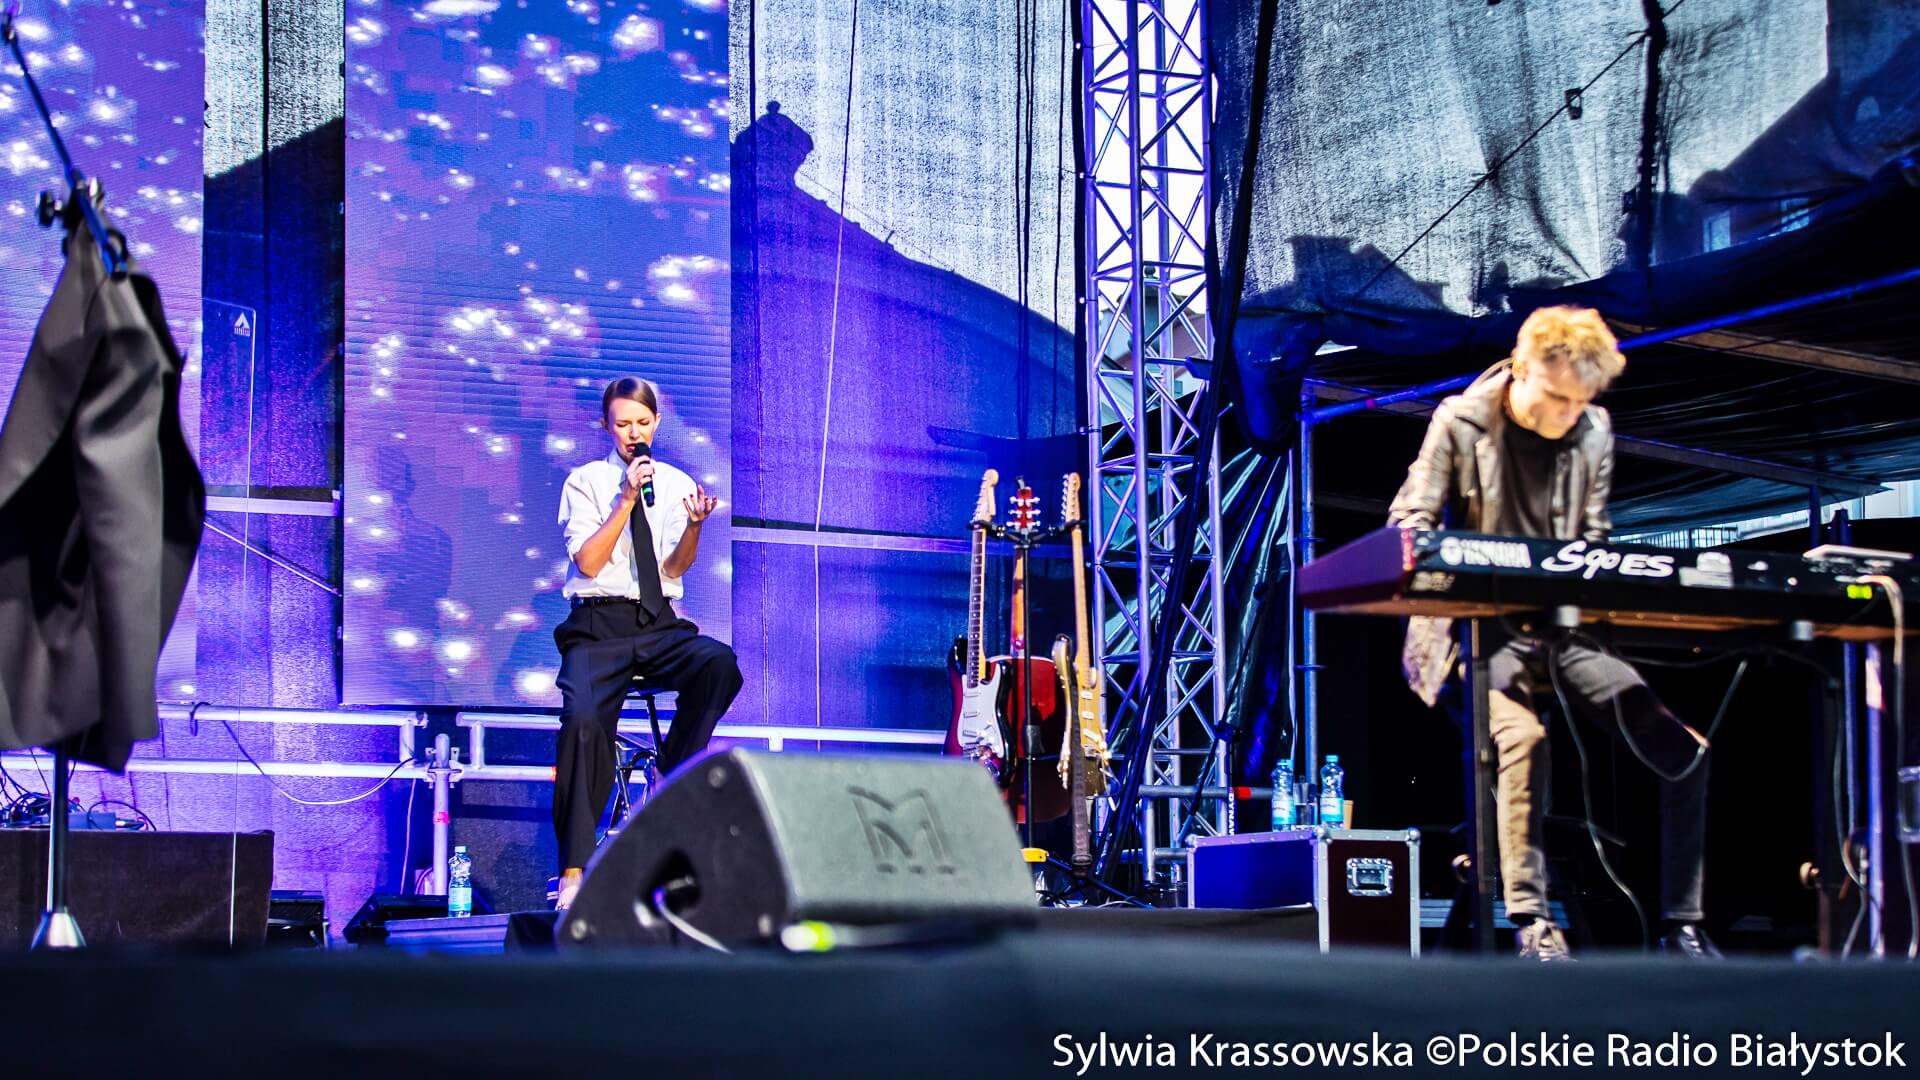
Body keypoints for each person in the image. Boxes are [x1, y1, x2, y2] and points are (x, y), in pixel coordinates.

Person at [1386, 305, 1717, 961]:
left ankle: (1682, 925)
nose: (1570, 413)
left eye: (1581, 401)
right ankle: (1532, 921)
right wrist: (1443, 555)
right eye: (1558, 398)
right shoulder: (1462, 420)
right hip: (1472, 632)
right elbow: (1410, 520)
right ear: (1523, 368)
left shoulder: (1594, 429)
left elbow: (1591, 538)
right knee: (1523, 739)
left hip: (1560, 630)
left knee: (1685, 751)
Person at [552, 377, 741, 909]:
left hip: (657, 623)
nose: (633, 433)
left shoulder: (676, 482)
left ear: (656, 423)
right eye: (622, 424)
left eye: (641, 422)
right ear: (606, 426)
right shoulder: (586, 481)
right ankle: (573, 871)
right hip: (597, 627)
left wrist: (696, 527)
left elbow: (675, 568)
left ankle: (670, 771)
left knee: (718, 663)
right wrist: (627, 498)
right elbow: (589, 562)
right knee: (584, 724)